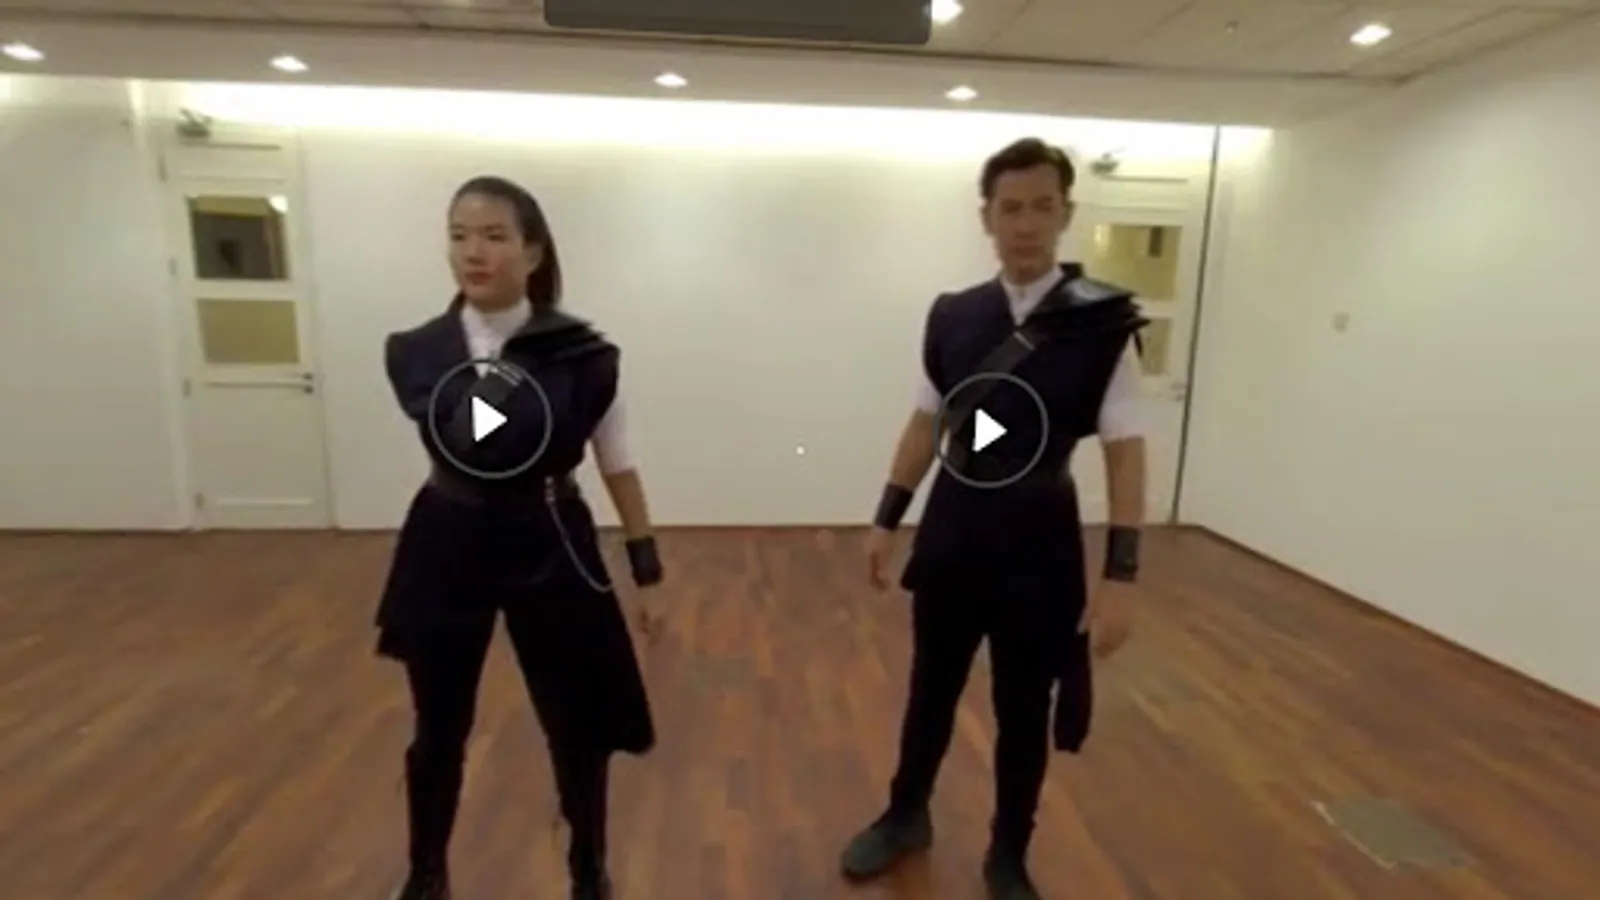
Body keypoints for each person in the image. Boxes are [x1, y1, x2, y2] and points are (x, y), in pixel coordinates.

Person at [838, 138, 1149, 900]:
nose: (1026, 224)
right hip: (954, 529)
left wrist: (1121, 575)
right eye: (1011, 208)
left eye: (1043, 207)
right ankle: (905, 814)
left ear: (1066, 213)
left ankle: (1009, 852)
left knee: (1022, 709)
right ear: (987, 217)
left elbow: (1126, 453)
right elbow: (926, 424)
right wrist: (885, 519)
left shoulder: (1102, 324)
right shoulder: (953, 316)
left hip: (1041, 538)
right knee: (930, 692)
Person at [375, 175, 664, 900]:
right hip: (448, 538)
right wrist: (516, 368)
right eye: (459, 236)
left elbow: (617, 462)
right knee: (439, 725)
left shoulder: (584, 355)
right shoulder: (416, 351)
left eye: (494, 236)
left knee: (577, 724)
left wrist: (646, 564)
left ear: (533, 253)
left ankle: (588, 872)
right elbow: (463, 439)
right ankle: (426, 875)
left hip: (549, 536)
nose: (473, 252)